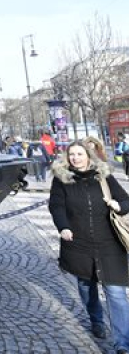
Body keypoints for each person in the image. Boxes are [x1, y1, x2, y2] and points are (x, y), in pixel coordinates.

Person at [49, 141, 129, 354]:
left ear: (88, 156)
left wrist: (119, 206)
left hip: (109, 242)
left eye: (79, 154)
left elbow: (125, 199)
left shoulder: (103, 176)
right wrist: (63, 226)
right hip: (78, 243)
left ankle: (123, 343)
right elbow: (56, 205)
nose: (75, 158)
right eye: (72, 154)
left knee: (116, 293)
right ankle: (96, 320)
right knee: (86, 286)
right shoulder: (61, 180)